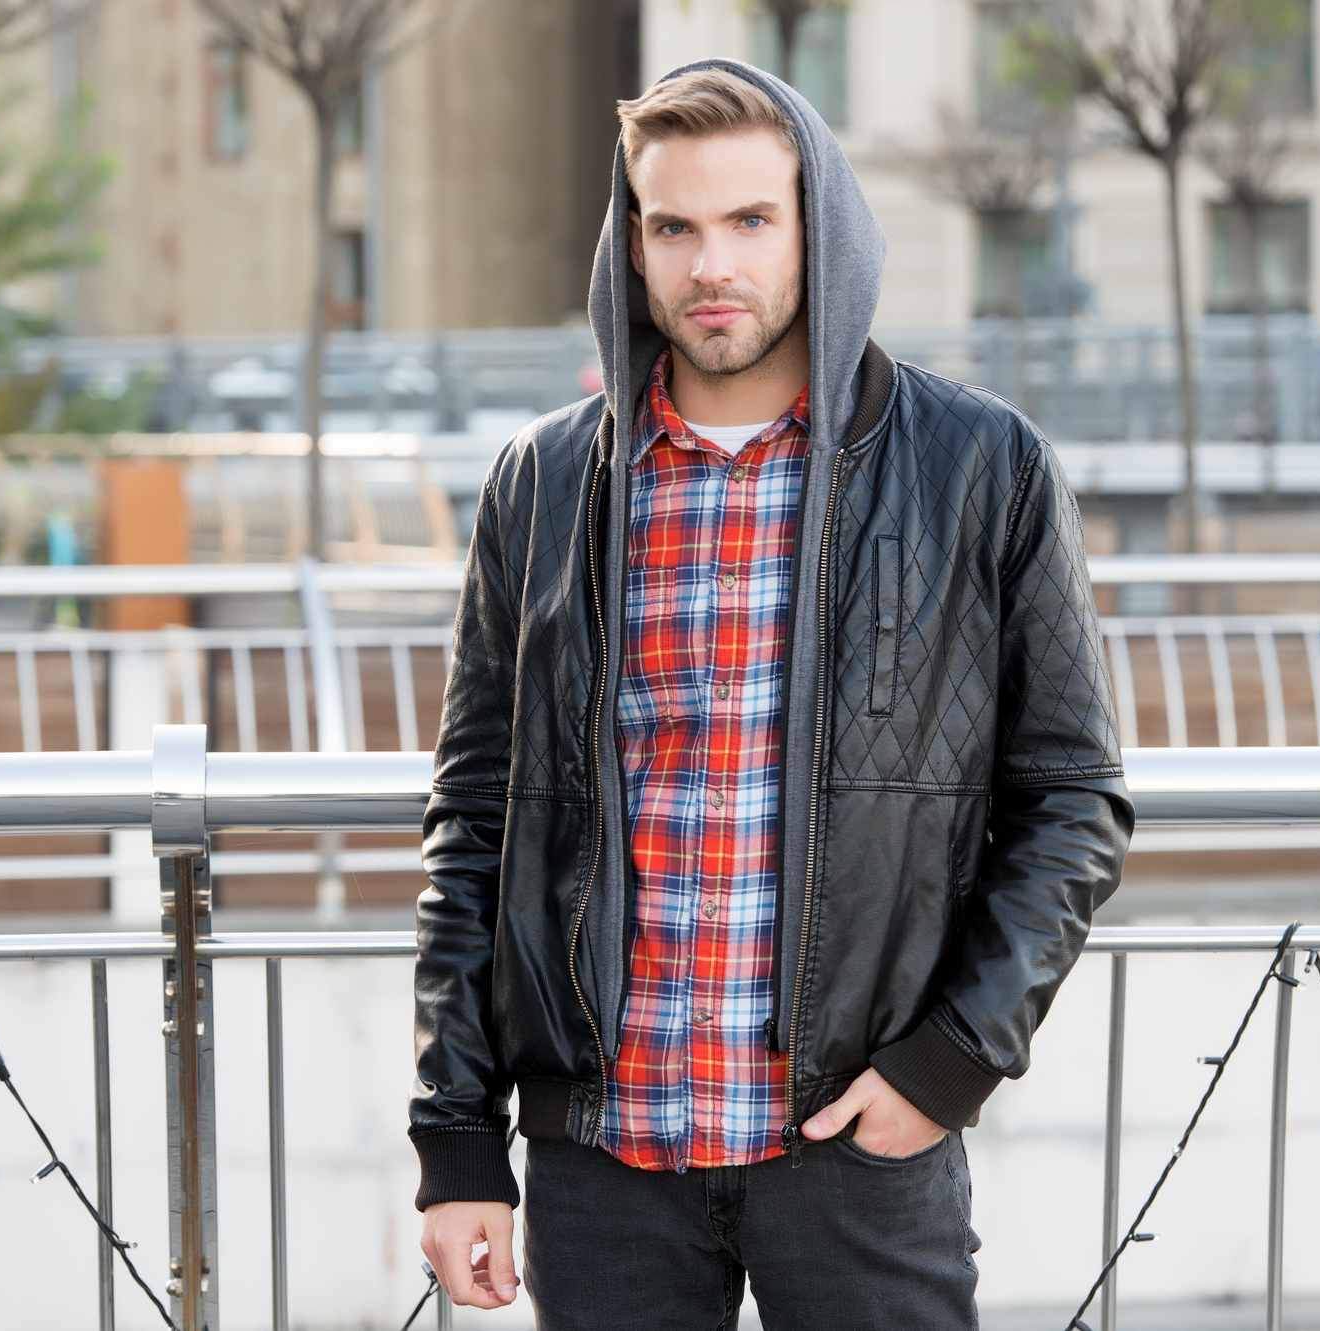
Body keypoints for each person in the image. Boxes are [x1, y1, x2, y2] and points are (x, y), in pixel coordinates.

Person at [412, 60, 1133, 1330]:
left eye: (750, 219)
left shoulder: (981, 465)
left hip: (858, 1141)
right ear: (631, 243)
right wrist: (458, 1136)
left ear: (818, 228)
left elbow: (1070, 800)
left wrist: (950, 1061)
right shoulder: (542, 482)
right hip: (604, 1156)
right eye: (673, 226)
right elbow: (476, 822)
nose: (710, 266)